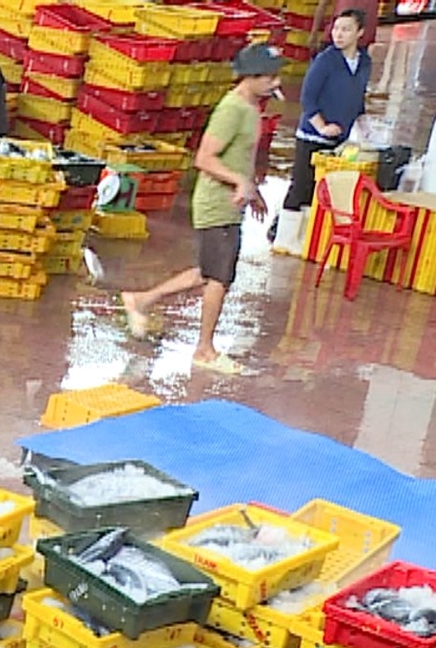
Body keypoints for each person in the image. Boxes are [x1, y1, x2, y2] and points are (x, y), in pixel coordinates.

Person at [120, 42, 282, 376]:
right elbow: (204, 159)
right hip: (216, 203)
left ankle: (141, 300)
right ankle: (204, 349)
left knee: (209, 271)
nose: (274, 82)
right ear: (249, 77)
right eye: (268, 76)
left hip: (232, 203)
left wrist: (252, 190)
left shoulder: (252, 108)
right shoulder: (232, 110)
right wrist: (239, 183)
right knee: (218, 277)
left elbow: (242, 158)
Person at [273, 8, 371, 254]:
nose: (339, 34)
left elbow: (357, 96)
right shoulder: (326, 60)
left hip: (338, 140)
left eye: (346, 29)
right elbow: (308, 98)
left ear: (359, 33)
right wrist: (321, 126)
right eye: (336, 29)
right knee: (301, 185)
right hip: (311, 137)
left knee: (320, 190)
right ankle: (284, 238)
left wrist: (362, 125)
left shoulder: (364, 63)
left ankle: (304, 238)